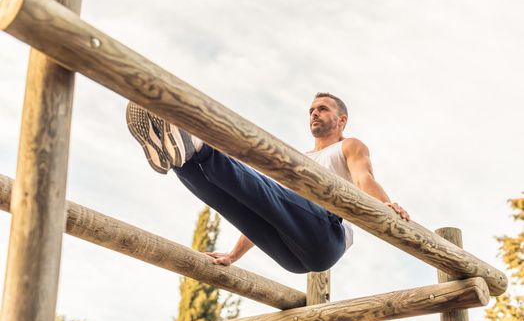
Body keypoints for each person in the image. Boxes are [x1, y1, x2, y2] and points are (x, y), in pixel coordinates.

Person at [126, 92, 410, 273]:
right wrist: (233, 256)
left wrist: (386, 206)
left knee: (263, 188)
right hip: (294, 259)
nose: (314, 113)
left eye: (322, 109)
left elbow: (363, 178)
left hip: (325, 236)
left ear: (341, 119)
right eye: (311, 109)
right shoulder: (301, 158)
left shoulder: (348, 146)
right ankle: (182, 162)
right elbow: (264, 204)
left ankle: (201, 148)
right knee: (238, 203)